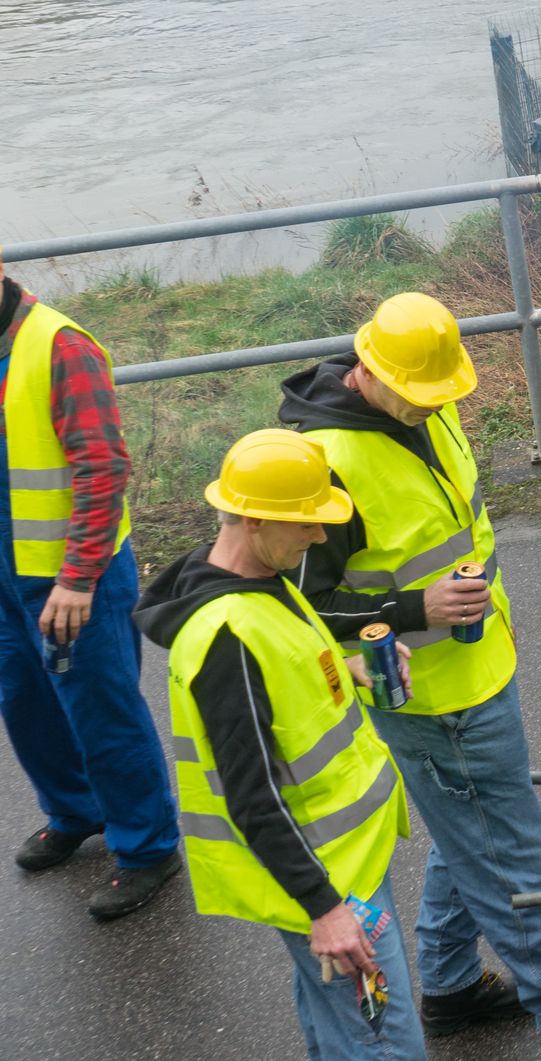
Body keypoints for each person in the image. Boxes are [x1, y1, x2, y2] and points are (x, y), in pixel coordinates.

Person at [279, 293, 541, 1061]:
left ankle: (450, 983)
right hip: (436, 698)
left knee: (469, 832)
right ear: (368, 367)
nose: (435, 406)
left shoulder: (421, 403)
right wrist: (412, 606)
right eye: (421, 393)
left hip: (478, 668)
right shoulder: (327, 461)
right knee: (509, 858)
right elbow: (297, 607)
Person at [136, 429, 424, 1059]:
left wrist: (345, 669)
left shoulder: (260, 579)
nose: (319, 538)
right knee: (385, 1042)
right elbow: (252, 792)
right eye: (306, 525)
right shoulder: (226, 636)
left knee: (339, 1031)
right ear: (250, 519)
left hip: (345, 863)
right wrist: (324, 910)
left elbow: (286, 675)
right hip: (326, 879)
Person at [0, 250, 180, 920]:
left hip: (73, 575)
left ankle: (147, 846)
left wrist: (76, 578)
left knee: (101, 710)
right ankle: (75, 809)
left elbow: (102, 468)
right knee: (25, 699)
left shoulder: (60, 346)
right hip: (6, 573)